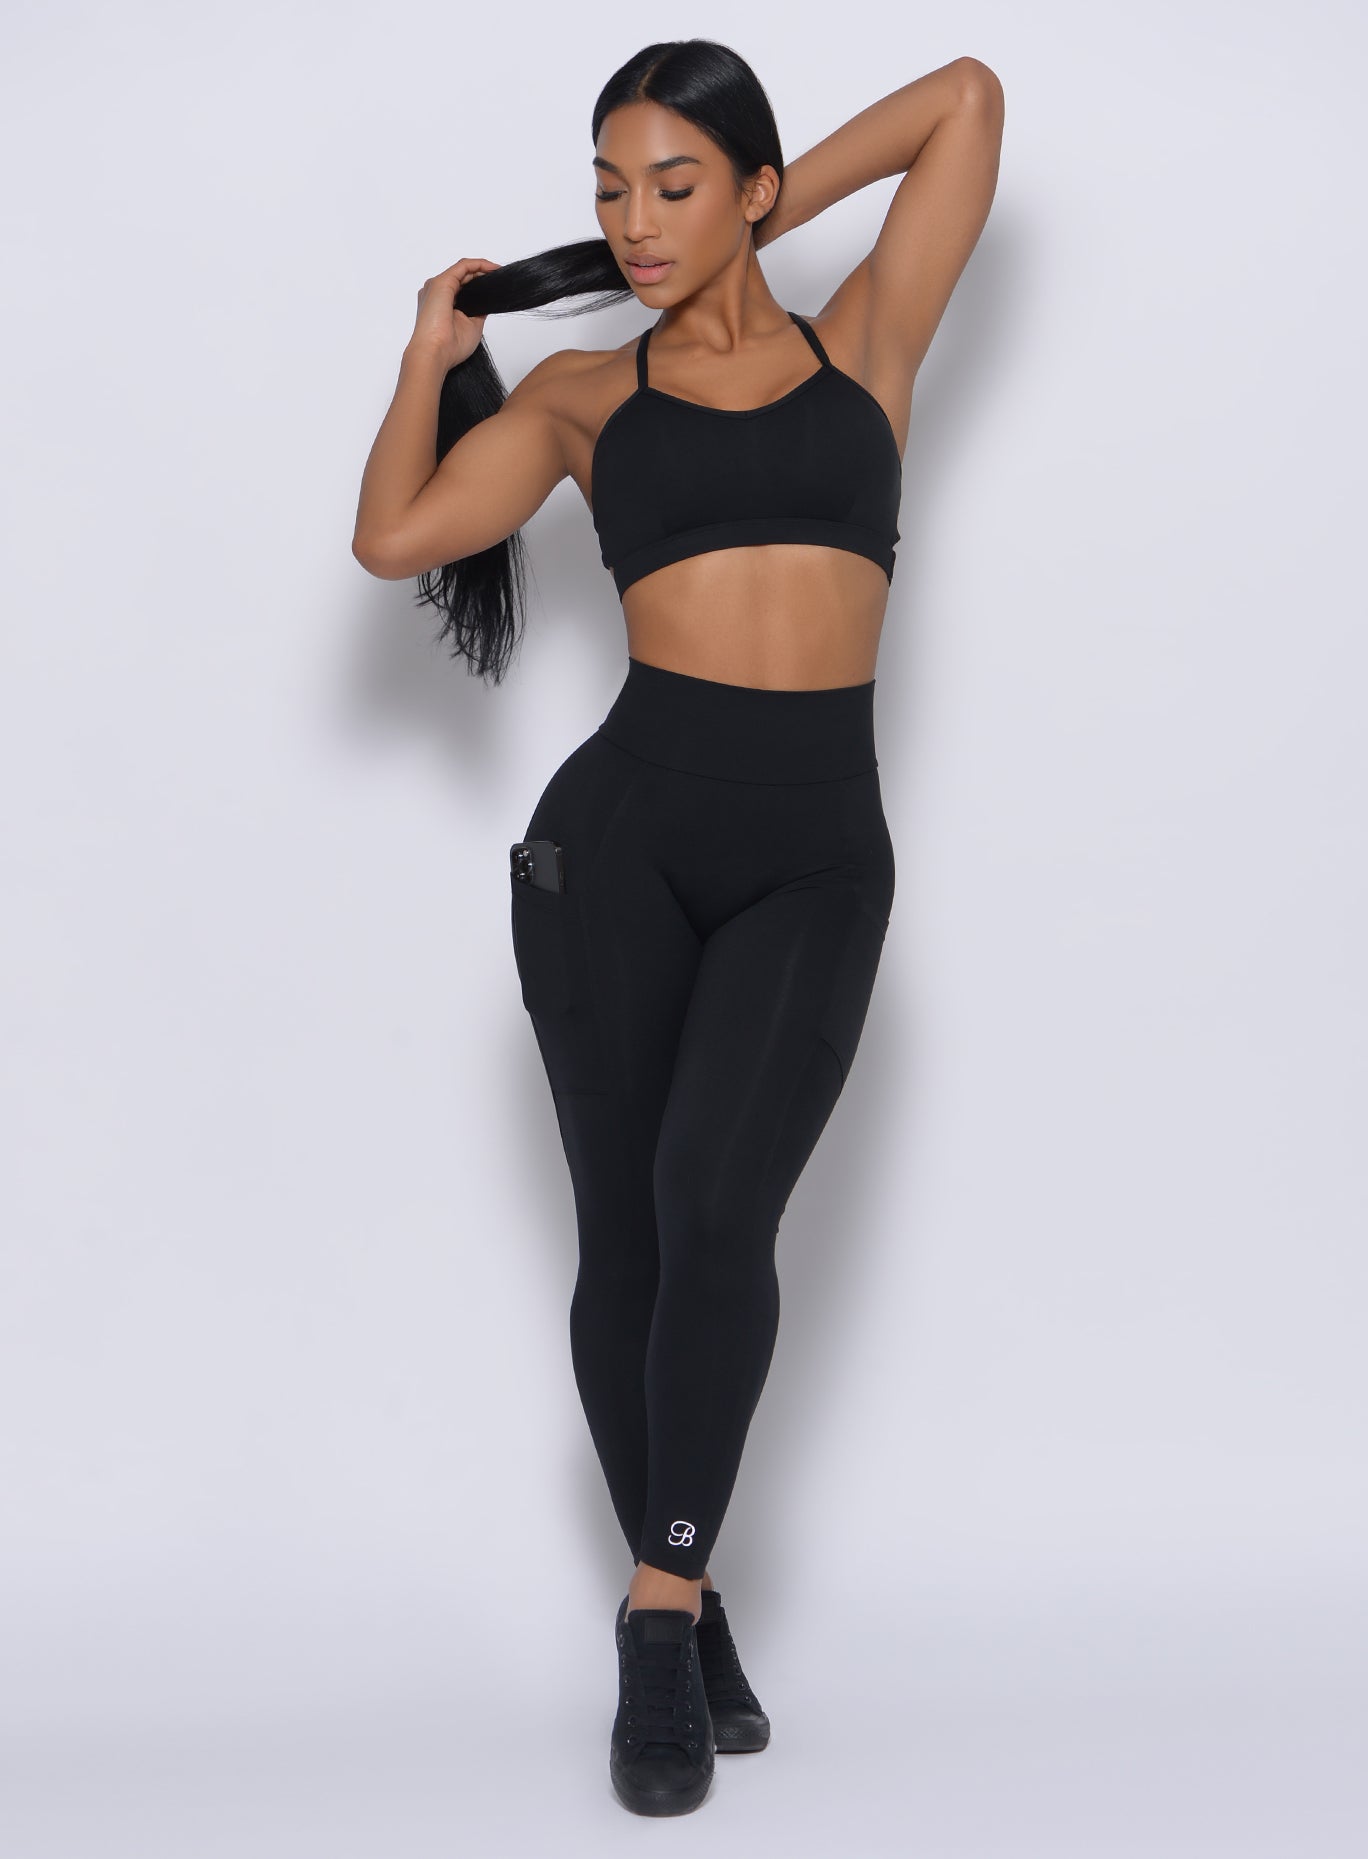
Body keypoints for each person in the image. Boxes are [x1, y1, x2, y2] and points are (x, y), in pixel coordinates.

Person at [352, 38, 1004, 1816]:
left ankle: (663, 1602)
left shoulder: (865, 345)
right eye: (609, 191)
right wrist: (429, 359)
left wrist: (773, 214)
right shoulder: (582, 399)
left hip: (816, 860)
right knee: (630, 1242)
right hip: (616, 849)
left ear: (754, 189)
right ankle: (675, 1614)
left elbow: (963, 98)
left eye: (674, 184)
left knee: (720, 1204)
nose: (633, 223)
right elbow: (396, 537)